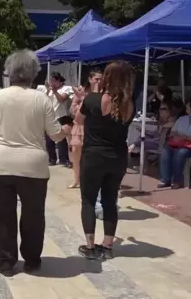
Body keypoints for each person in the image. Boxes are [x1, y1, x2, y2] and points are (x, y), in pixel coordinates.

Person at [0, 50, 67, 277]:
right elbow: (56, 135)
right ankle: (31, 260)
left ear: (9, 72)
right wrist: (69, 128)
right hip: (34, 166)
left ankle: (6, 262)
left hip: (1, 163)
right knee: (33, 216)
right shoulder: (41, 98)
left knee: (1, 216)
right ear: (33, 73)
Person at [75, 61, 135, 260]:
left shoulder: (93, 99)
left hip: (94, 156)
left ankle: (90, 246)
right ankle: (107, 247)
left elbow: (78, 119)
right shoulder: (129, 104)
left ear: (107, 77)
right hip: (117, 157)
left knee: (89, 200)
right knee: (110, 201)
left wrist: (84, 98)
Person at [159, 95, 191, 189]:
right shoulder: (182, 119)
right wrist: (177, 137)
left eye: (188, 105)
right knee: (166, 150)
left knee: (180, 153)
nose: (186, 107)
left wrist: (187, 137)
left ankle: (177, 180)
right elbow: (173, 132)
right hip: (179, 144)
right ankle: (165, 179)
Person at [68, 70, 102, 189]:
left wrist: (83, 101)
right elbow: (73, 110)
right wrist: (82, 100)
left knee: (92, 156)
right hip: (79, 126)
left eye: (100, 79)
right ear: (90, 79)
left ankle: (90, 180)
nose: (98, 82)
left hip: (93, 127)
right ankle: (77, 179)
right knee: (76, 152)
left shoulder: (102, 94)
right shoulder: (83, 92)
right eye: (96, 79)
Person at [45, 72, 73, 167]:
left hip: (61, 116)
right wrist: (48, 90)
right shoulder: (50, 90)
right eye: (51, 80)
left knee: (61, 139)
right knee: (49, 139)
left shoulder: (66, 88)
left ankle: (64, 160)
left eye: (54, 80)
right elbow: (44, 100)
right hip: (50, 116)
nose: (52, 82)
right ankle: (52, 159)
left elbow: (62, 99)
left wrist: (55, 91)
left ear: (59, 81)